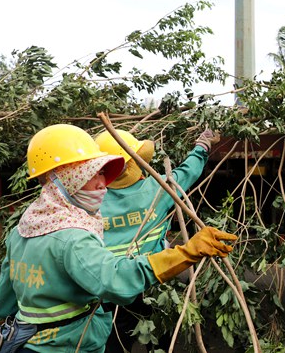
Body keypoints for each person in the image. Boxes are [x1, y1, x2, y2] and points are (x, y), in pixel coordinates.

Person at [0, 124, 236, 353]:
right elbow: (116, 280)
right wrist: (185, 252)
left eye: (102, 174)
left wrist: (3, 321)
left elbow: (7, 288)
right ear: (69, 179)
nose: (101, 185)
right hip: (79, 333)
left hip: (30, 337)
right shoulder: (77, 234)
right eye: (91, 174)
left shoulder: (28, 224)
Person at [94, 128, 220, 353]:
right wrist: (202, 145)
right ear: (135, 162)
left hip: (111, 287)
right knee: (161, 338)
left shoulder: (92, 199)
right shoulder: (158, 188)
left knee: (113, 342)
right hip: (154, 281)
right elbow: (187, 172)